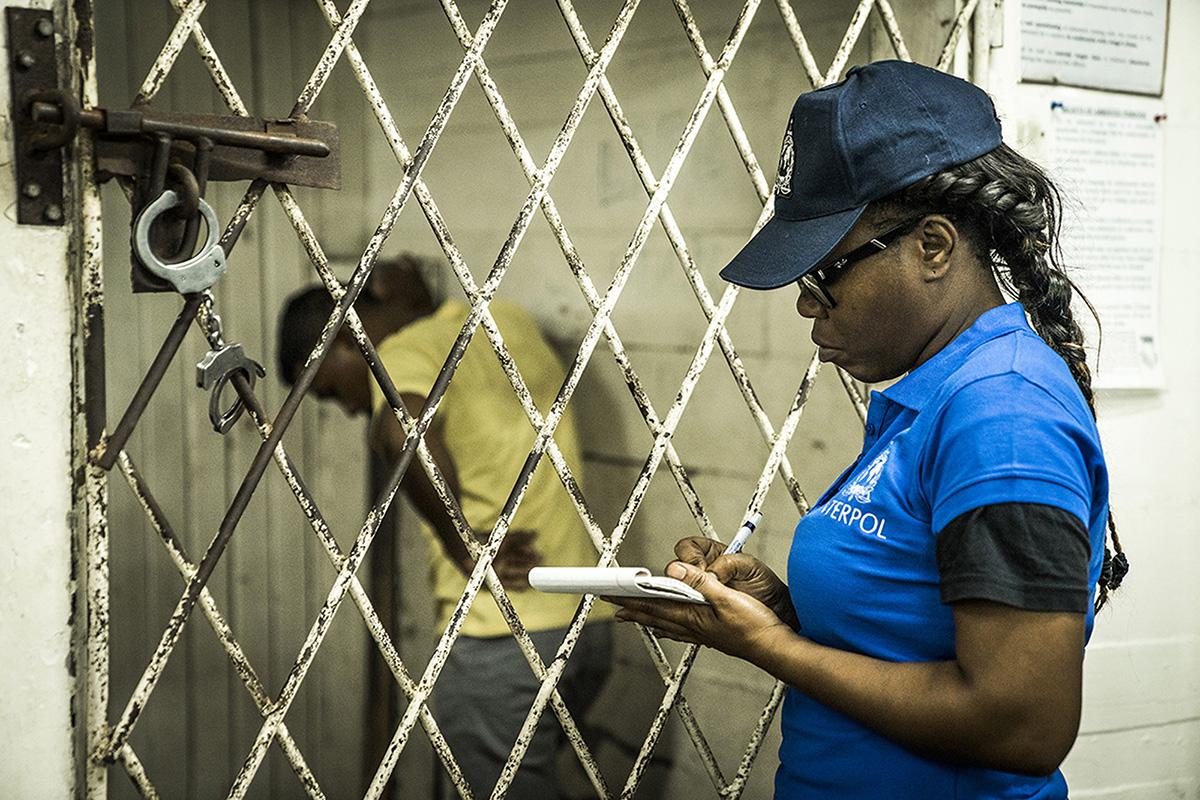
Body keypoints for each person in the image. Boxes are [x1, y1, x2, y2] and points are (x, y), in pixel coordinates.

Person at [605, 60, 1129, 799]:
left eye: (826, 275)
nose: (807, 306)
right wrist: (776, 609)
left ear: (935, 247)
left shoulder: (1002, 415)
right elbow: (909, 628)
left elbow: (1023, 726)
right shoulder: (939, 393)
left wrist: (773, 647)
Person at [277, 254, 612, 799]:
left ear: (341, 342)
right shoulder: (502, 320)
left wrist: (464, 547)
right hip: (585, 622)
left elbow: (403, 433)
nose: (344, 408)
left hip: (502, 633)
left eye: (329, 390)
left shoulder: (398, 354)